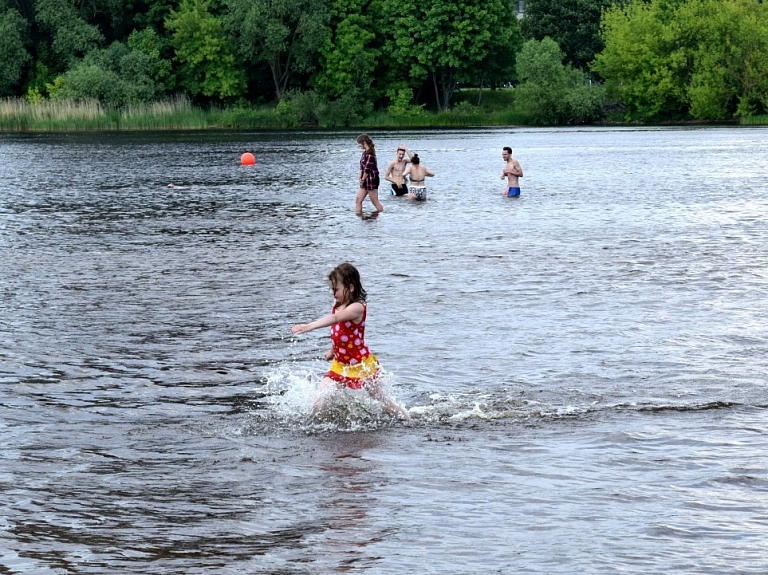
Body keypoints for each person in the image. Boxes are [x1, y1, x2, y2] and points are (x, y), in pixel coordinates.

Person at [291, 263, 410, 420]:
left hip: (361, 365)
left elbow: (335, 318)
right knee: (319, 400)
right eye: (332, 289)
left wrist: (309, 326)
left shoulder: (357, 308)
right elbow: (338, 331)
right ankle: (316, 425)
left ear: (351, 287)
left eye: (336, 289)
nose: (333, 293)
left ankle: (408, 420)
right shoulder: (337, 305)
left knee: (382, 401)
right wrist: (332, 351)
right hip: (341, 364)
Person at [356, 134, 384, 214]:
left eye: (360, 143)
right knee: (358, 200)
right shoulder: (364, 153)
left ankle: (381, 214)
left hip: (371, 180)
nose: (359, 146)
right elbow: (362, 167)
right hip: (364, 180)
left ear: (364, 142)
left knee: (375, 202)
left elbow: (367, 169)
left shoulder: (370, 154)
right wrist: (360, 178)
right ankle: (358, 217)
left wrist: (362, 179)